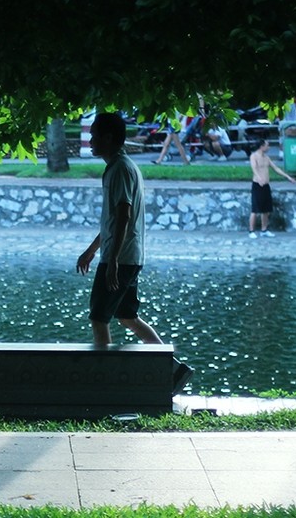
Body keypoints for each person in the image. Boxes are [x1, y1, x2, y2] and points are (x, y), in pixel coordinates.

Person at [76, 112, 194, 393]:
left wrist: (112, 259)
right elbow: (113, 220)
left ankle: (104, 382)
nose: (90, 140)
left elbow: (124, 213)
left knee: (98, 316)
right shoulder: (120, 167)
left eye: (94, 135)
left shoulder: (120, 168)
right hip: (126, 256)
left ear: (108, 138)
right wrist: (92, 250)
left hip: (122, 257)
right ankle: (172, 370)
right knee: (127, 315)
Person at [248, 138, 296, 238]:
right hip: (258, 185)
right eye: (267, 145)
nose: (269, 147)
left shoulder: (266, 158)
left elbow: (276, 168)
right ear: (262, 146)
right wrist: (259, 178)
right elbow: (254, 168)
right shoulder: (254, 156)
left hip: (266, 185)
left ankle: (264, 230)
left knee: (266, 209)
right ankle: (251, 231)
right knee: (255, 209)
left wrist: (288, 177)